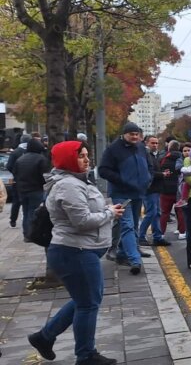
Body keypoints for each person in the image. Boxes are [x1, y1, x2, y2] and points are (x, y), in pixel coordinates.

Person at [28, 140, 124, 365]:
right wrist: (109, 213)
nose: (87, 159)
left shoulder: (78, 181)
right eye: (81, 155)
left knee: (87, 300)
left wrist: (107, 210)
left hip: (81, 250)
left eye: (87, 155)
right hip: (74, 251)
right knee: (88, 304)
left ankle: (44, 337)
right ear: (67, 160)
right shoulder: (68, 185)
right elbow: (82, 221)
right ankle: (85, 355)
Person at [99, 122, 153, 275]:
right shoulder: (113, 149)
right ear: (124, 134)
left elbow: (149, 166)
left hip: (138, 192)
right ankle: (134, 259)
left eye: (137, 134)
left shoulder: (141, 147)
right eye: (132, 134)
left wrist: (148, 178)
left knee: (134, 224)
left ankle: (122, 253)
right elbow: (103, 170)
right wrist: (123, 179)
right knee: (127, 224)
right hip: (121, 193)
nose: (135, 137)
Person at [13, 137, 50, 241]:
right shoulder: (41, 159)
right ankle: (32, 233)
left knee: (25, 211)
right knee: (33, 212)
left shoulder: (20, 159)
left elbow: (15, 173)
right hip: (36, 189)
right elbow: (45, 176)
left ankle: (26, 234)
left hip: (22, 190)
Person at [138, 135, 170, 247]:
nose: (155, 145)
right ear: (146, 143)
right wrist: (162, 174)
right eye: (153, 143)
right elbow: (147, 172)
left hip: (155, 188)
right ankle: (141, 236)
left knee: (156, 213)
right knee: (151, 213)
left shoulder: (151, 155)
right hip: (150, 188)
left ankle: (157, 236)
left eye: (156, 143)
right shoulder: (146, 155)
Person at [158, 141, 186, 240]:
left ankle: (161, 233)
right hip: (179, 189)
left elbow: (158, 171)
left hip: (165, 189)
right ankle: (181, 232)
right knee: (180, 211)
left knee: (164, 212)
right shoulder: (182, 159)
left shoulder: (163, 159)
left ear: (169, 148)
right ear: (178, 148)